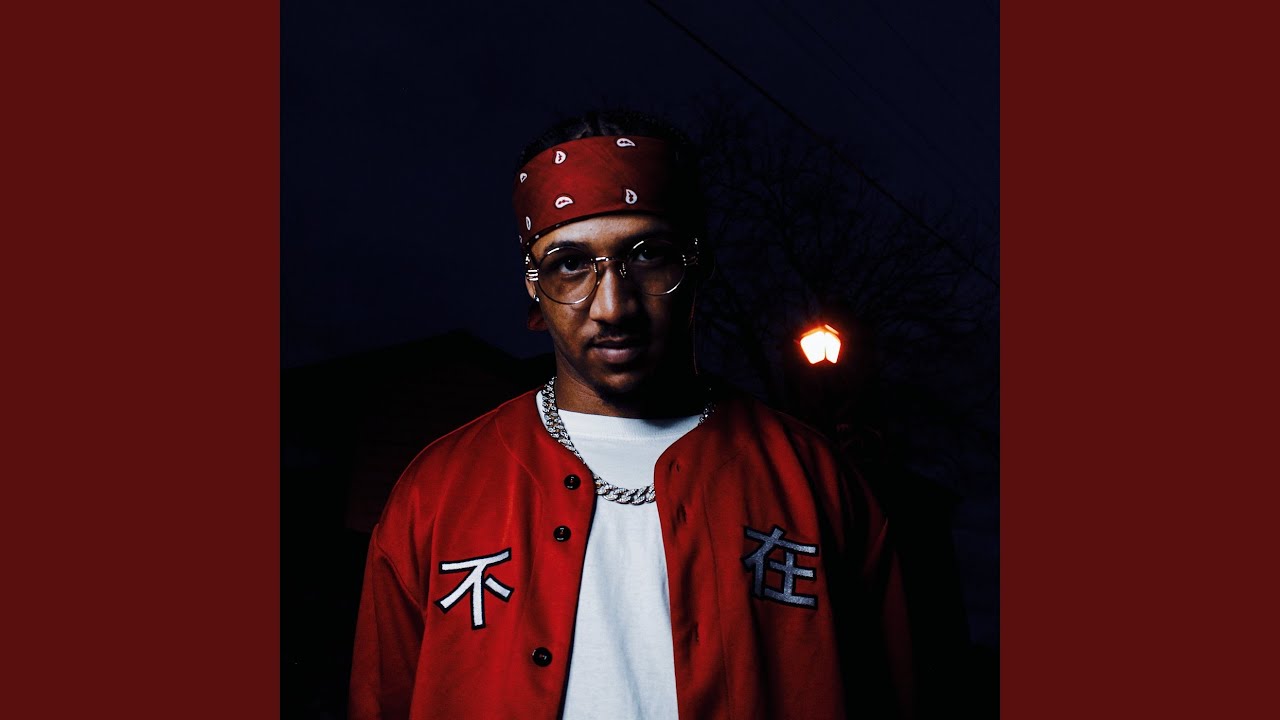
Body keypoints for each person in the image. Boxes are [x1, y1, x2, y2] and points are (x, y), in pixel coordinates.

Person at [349, 109, 912, 719]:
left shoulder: (816, 481)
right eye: (570, 264)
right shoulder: (437, 491)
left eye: (647, 256)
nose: (613, 307)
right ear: (533, 284)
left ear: (698, 265)